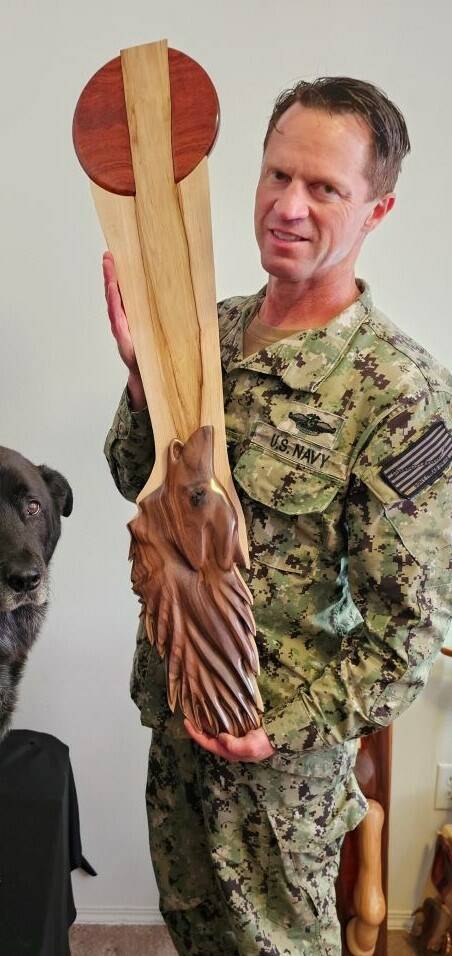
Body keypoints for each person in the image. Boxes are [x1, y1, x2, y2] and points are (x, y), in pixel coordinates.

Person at [103, 77, 452, 955]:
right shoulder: (204, 330)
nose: (288, 207)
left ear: (377, 209)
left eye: (325, 188)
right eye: (276, 176)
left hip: (279, 773)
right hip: (178, 722)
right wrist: (146, 383)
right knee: (191, 934)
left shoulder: (401, 396)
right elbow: (126, 476)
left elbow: (405, 636)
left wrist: (279, 730)